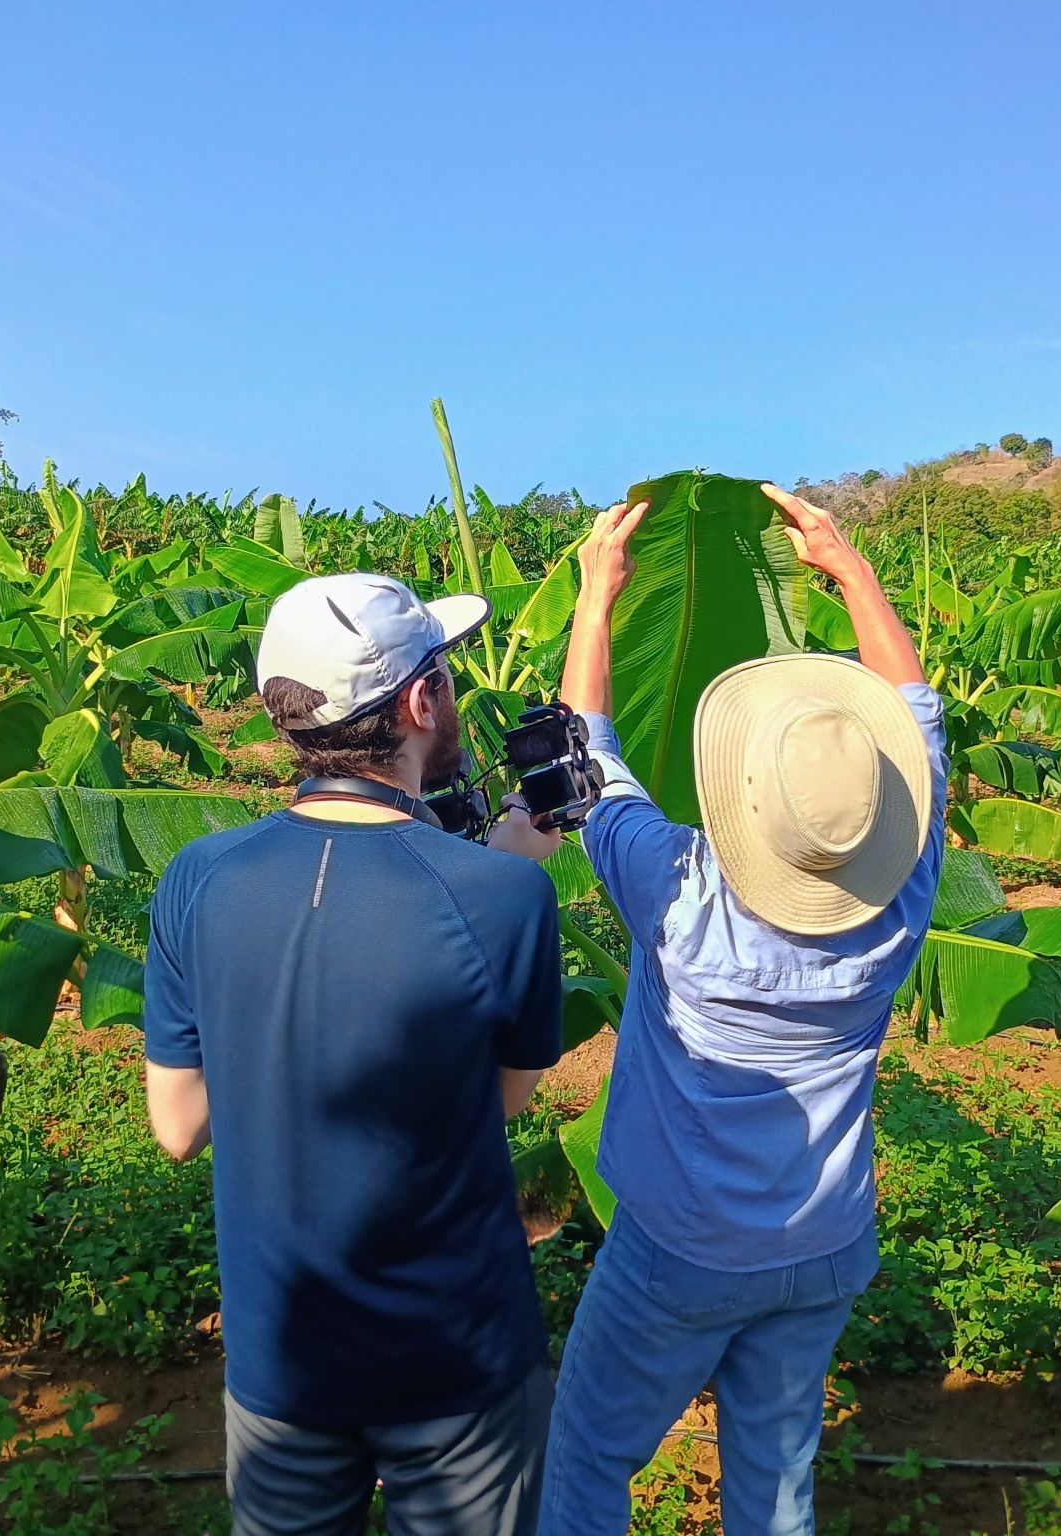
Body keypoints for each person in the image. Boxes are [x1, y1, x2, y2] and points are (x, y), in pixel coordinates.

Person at [539, 488, 948, 1536]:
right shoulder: (900, 895)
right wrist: (851, 573)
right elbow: (917, 728)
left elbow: (584, 770)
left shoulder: (676, 895)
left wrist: (596, 599)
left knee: (587, 1460)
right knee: (773, 1487)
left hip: (682, 1247)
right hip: (822, 1241)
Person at [141, 572, 568, 1536]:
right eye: (445, 674)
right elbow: (500, 1103)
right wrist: (502, 867)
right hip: (456, 1363)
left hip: (282, 1354)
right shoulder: (506, 898)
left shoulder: (197, 879)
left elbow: (177, 1127)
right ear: (421, 702)